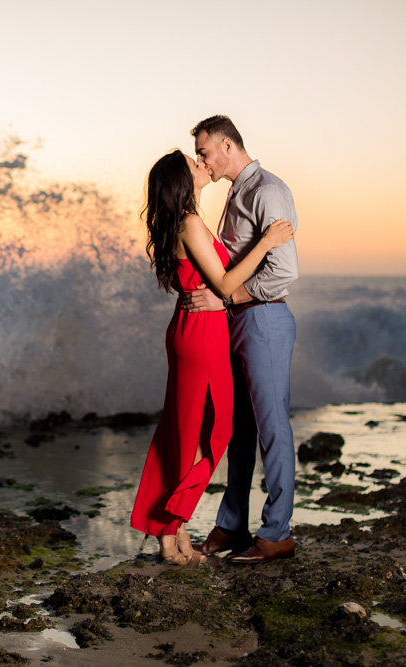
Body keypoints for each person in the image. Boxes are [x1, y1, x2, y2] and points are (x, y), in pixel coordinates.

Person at [130, 149, 294, 565]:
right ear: (182, 181)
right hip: (201, 335)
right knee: (214, 433)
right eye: (194, 162)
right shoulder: (189, 223)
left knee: (185, 433)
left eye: (201, 156)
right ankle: (171, 526)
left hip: (193, 331)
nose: (202, 164)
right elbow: (222, 284)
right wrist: (266, 243)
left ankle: (172, 534)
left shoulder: (183, 221)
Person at [186, 115, 300, 564]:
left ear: (228, 146)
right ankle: (233, 525)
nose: (201, 159)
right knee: (238, 430)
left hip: (264, 321)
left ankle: (276, 534)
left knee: (272, 429)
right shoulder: (238, 191)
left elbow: (284, 270)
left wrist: (227, 299)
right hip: (240, 320)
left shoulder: (268, 189)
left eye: (205, 151)